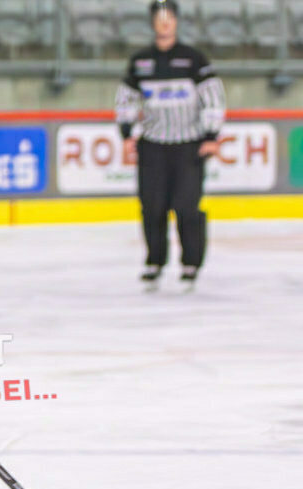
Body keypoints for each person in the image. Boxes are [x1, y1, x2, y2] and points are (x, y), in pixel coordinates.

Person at [115, 0, 226, 291]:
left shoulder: (193, 59)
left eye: (169, 17)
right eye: (159, 17)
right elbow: (126, 98)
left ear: (176, 21)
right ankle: (155, 261)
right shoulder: (141, 62)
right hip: (152, 146)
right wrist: (127, 134)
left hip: (188, 146)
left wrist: (211, 136)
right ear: (152, 22)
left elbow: (213, 96)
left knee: (186, 206)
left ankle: (191, 262)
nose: (164, 23)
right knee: (152, 206)